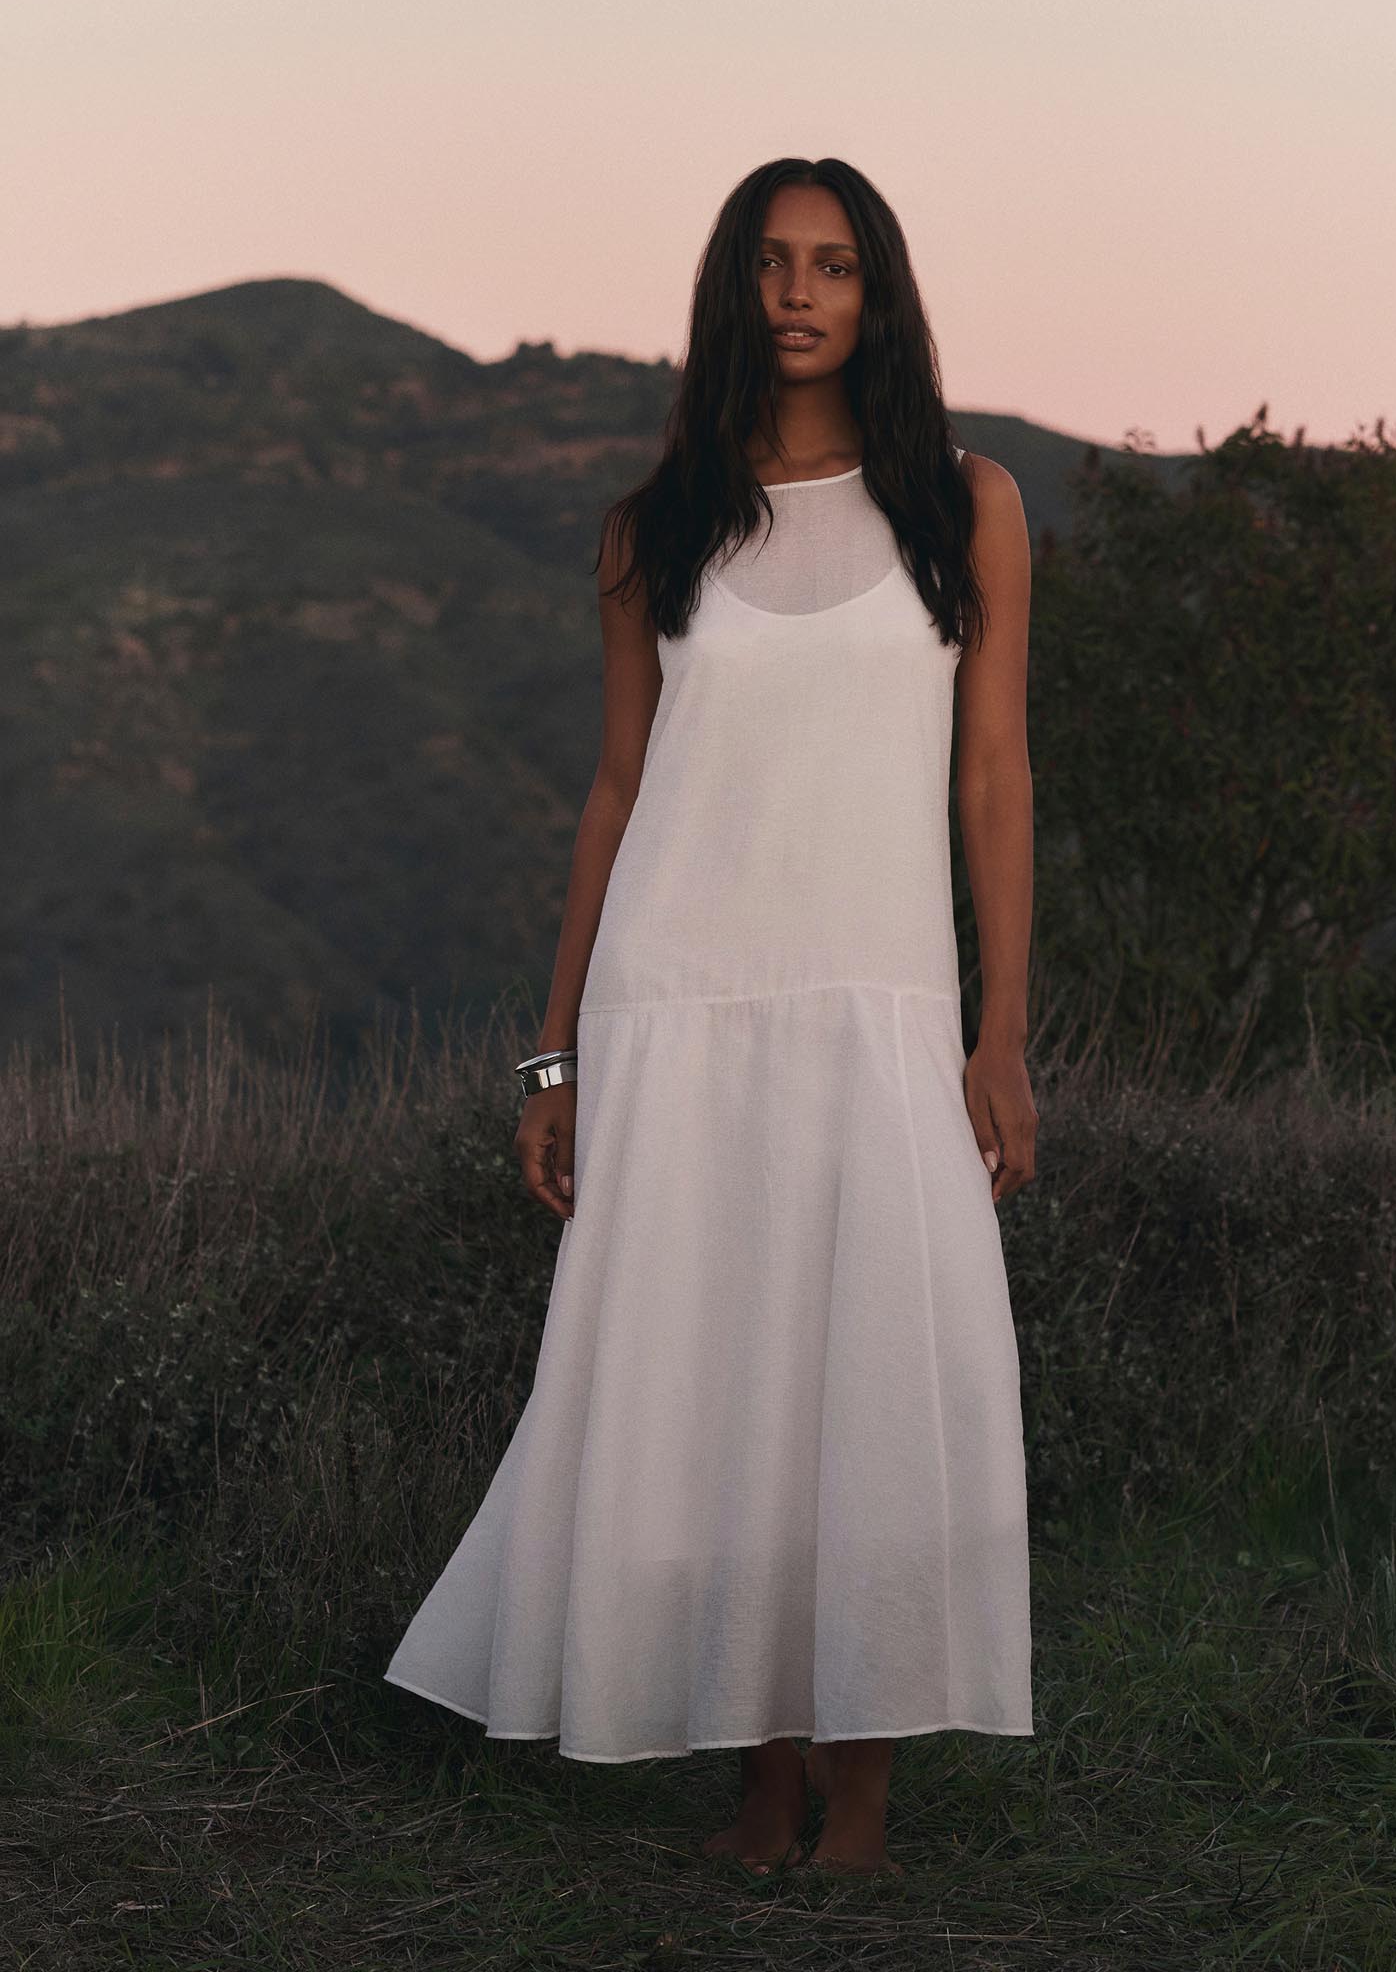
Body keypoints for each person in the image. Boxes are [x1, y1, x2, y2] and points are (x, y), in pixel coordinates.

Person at [384, 156, 1038, 1880]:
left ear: (878, 294)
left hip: (883, 1008)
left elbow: (994, 778)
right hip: (682, 1007)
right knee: (726, 1394)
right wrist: (557, 1054)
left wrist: (1002, 1033)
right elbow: (614, 793)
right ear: (731, 291)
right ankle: (759, 1772)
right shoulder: (655, 527)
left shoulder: (968, 506)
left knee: (887, 1390)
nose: (799, 292)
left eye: (833, 265)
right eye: (770, 263)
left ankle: (869, 1787)